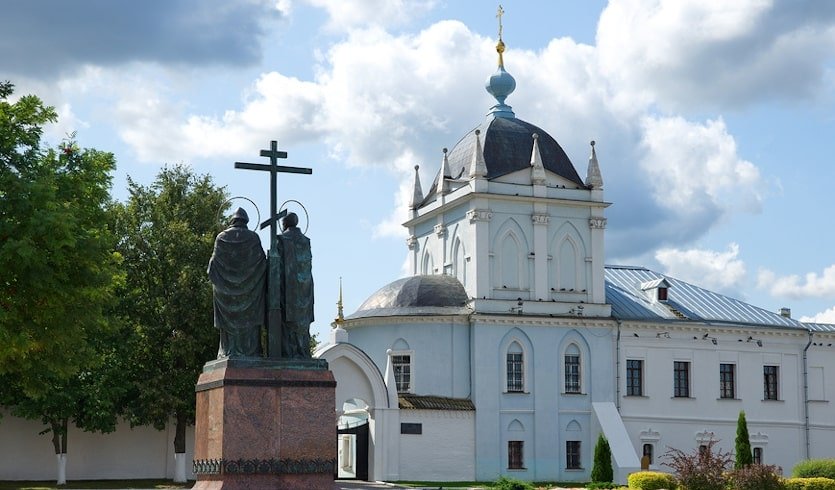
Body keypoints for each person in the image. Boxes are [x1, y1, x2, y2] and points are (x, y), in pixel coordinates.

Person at [207, 208, 266, 358]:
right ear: (245, 221)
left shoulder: (221, 237)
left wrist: (223, 284)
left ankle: (228, 351)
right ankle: (250, 352)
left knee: (228, 328)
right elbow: (263, 264)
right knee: (249, 325)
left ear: (232, 220)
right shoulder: (253, 238)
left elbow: (212, 267)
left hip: (225, 293)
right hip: (250, 291)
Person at [275, 212, 314, 358]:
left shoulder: (282, 239)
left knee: (287, 324)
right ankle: (302, 352)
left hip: (288, 289)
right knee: (302, 325)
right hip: (305, 290)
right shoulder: (306, 241)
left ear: (284, 224)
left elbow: (276, 266)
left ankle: (289, 354)